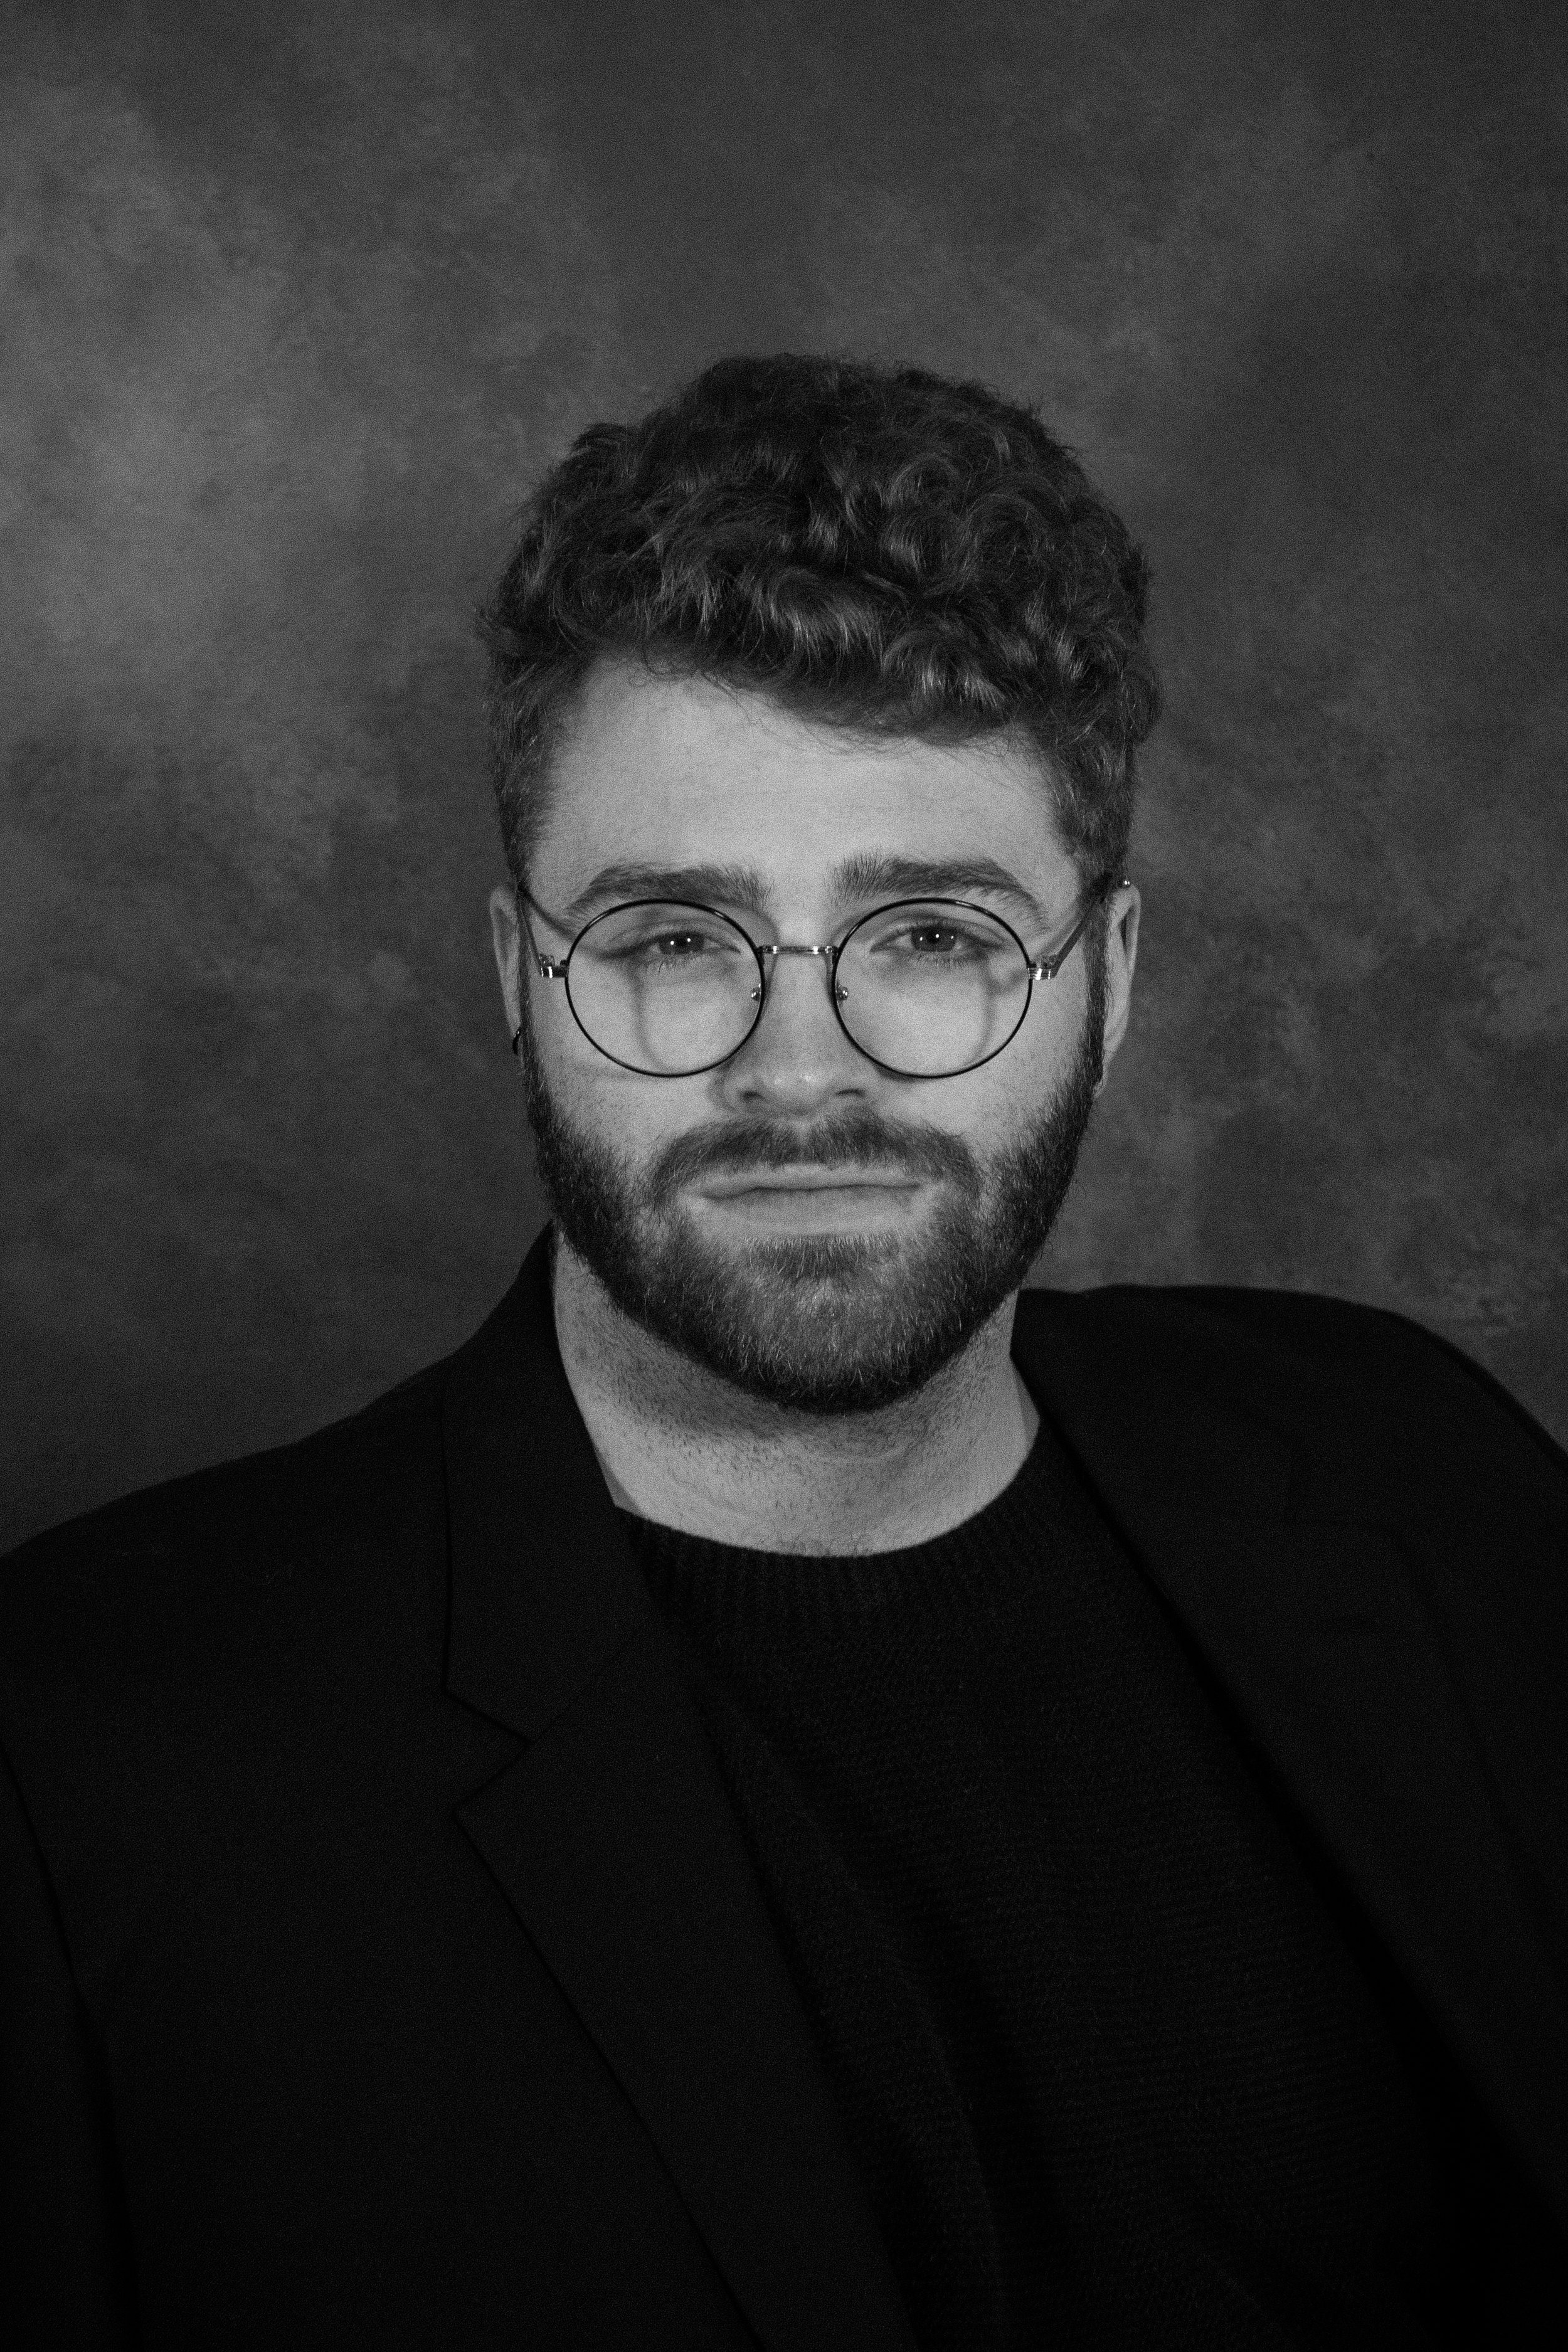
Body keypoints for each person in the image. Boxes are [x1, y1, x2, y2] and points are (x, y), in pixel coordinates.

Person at [2, 354, 1564, 2350]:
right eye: (673, 939)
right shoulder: (83, 1766)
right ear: (517, 979)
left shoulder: (1414, 1465)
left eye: (932, 938)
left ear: (1106, 986)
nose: (801, 1073)